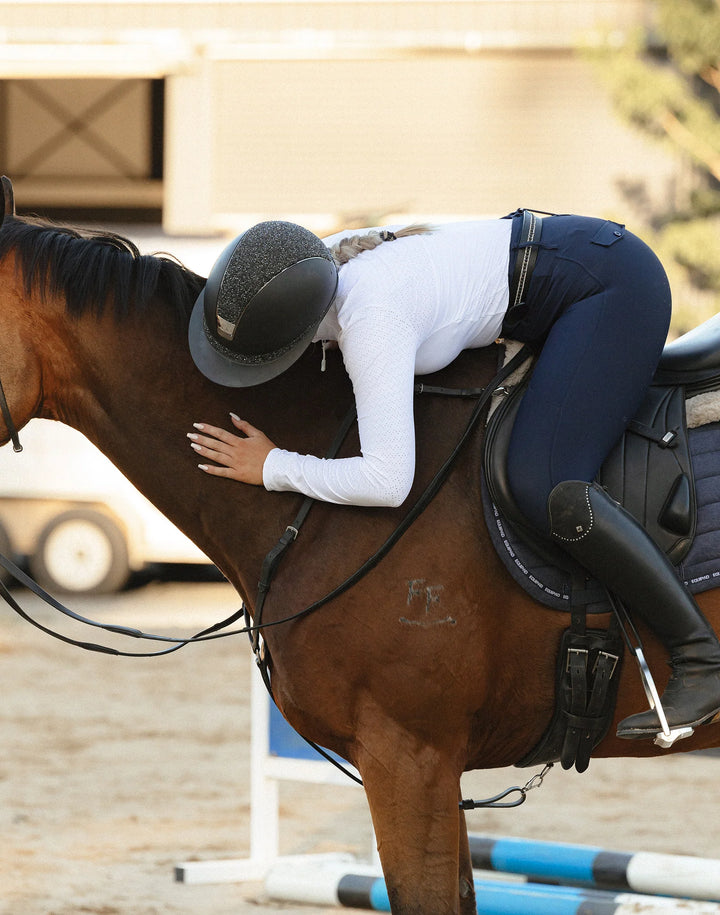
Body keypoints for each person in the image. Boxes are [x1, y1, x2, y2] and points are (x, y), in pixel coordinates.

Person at [187, 213, 720, 741]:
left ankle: (700, 658)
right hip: (570, 260)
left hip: (608, 288)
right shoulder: (310, 263)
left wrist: (274, 466)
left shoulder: (372, 320)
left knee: (544, 483)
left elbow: (388, 480)